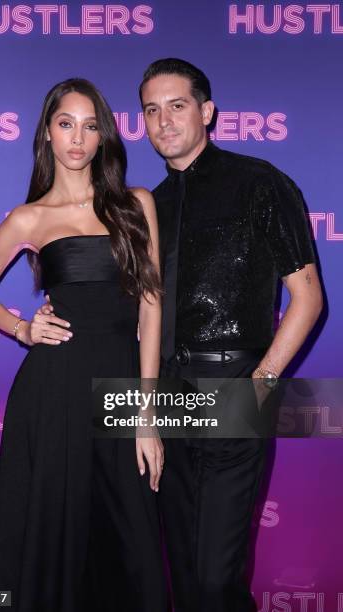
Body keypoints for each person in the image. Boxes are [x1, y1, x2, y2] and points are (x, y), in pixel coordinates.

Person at [38, 61, 323, 611]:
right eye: (151, 109)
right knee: (182, 574)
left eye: (177, 105)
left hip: (236, 383)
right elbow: (126, 302)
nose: (164, 121)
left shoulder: (260, 182)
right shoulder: (145, 206)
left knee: (217, 576)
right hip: (164, 392)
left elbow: (308, 296)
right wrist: (60, 303)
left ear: (206, 111)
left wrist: (261, 381)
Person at [0, 78, 168, 612]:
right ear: (48, 134)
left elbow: (151, 306)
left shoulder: (136, 203)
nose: (78, 137)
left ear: (104, 137)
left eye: (90, 125)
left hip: (119, 395)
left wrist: (147, 412)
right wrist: (22, 329)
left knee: (133, 545)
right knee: (53, 534)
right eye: (66, 123)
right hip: (54, 394)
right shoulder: (28, 217)